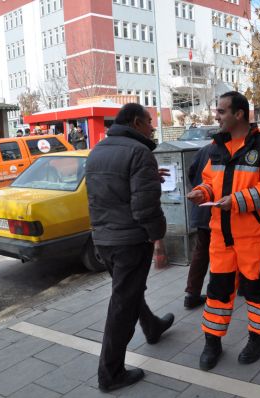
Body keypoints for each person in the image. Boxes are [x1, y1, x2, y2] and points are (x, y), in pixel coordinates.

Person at [186, 91, 260, 371]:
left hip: (255, 237)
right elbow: (209, 181)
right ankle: (212, 341)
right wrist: (200, 191)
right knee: (218, 290)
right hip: (221, 235)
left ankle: (258, 338)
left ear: (239, 114)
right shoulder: (218, 146)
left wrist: (237, 201)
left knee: (256, 290)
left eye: (221, 111)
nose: (216, 116)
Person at [85, 103, 175, 392]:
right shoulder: (139, 152)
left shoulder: (98, 150)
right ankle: (110, 373)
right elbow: (144, 207)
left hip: (104, 239)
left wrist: (148, 178)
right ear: (137, 123)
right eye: (149, 122)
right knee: (122, 304)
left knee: (128, 291)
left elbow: (109, 192)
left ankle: (151, 326)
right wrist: (157, 235)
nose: (152, 126)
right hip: (130, 241)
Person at [184, 143, 213, 309]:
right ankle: (235, 287)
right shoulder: (229, 149)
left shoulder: (204, 149)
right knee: (224, 250)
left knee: (201, 252)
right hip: (217, 209)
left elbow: (191, 172)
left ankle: (191, 294)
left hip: (201, 207)